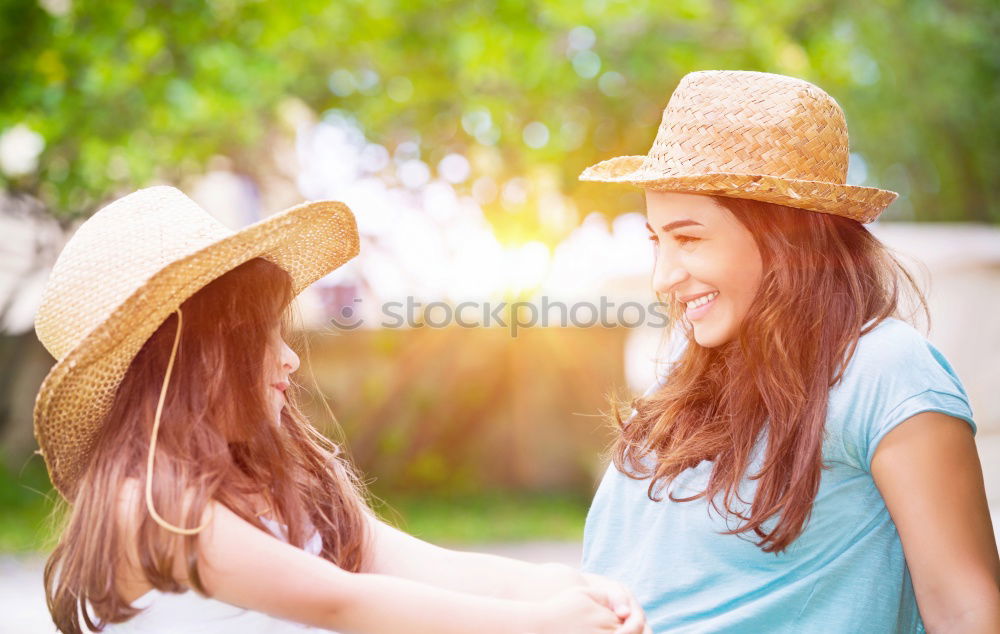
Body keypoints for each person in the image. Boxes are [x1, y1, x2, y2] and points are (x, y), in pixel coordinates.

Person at [34, 186, 649, 633]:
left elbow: (429, 568)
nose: (290, 360)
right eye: (261, 337)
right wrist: (536, 626)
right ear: (192, 356)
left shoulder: (279, 488)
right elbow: (342, 603)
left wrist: (565, 589)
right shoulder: (147, 507)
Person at [577, 70, 1000, 632]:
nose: (663, 277)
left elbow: (966, 610)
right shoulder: (685, 368)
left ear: (787, 239)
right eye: (657, 240)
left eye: (689, 238)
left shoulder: (885, 370)